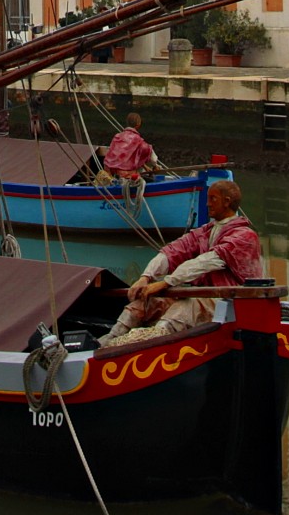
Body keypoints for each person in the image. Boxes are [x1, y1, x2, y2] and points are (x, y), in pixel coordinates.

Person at [99, 179, 261, 348]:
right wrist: (146, 277)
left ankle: (152, 344)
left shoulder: (244, 236)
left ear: (227, 202)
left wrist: (166, 282)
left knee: (185, 307)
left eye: (213, 199)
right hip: (203, 296)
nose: (207, 204)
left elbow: (206, 262)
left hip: (230, 303)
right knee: (146, 302)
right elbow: (174, 250)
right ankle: (108, 340)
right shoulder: (206, 231)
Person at [103, 112, 157, 180]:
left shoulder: (117, 136)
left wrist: (145, 167)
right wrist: (155, 165)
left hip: (109, 172)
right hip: (125, 174)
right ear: (138, 124)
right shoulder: (137, 140)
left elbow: (122, 155)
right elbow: (151, 155)